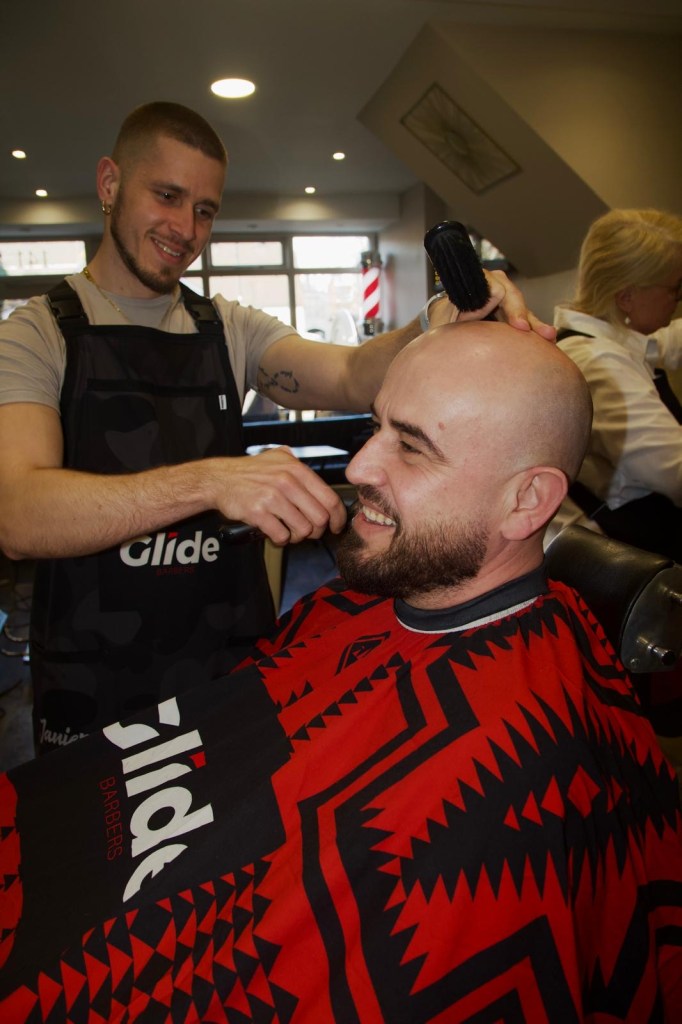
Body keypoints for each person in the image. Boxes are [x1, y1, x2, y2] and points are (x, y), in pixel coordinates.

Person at [0, 322, 680, 1023]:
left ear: (527, 501)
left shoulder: (507, 781)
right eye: (377, 426)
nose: (358, 468)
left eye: (411, 446)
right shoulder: (352, 608)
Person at [0, 102, 554, 756]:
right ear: (109, 183)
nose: (186, 228)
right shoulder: (36, 335)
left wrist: (438, 317)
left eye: (205, 210)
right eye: (167, 196)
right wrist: (212, 482)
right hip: (95, 673)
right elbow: (18, 512)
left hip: (222, 657)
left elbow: (349, 374)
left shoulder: (227, 328)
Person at [552, 207, 682, 559]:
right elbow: (675, 472)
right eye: (674, 288)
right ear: (627, 297)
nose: (677, 300)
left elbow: (663, 345)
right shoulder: (602, 364)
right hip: (648, 539)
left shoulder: (596, 340)